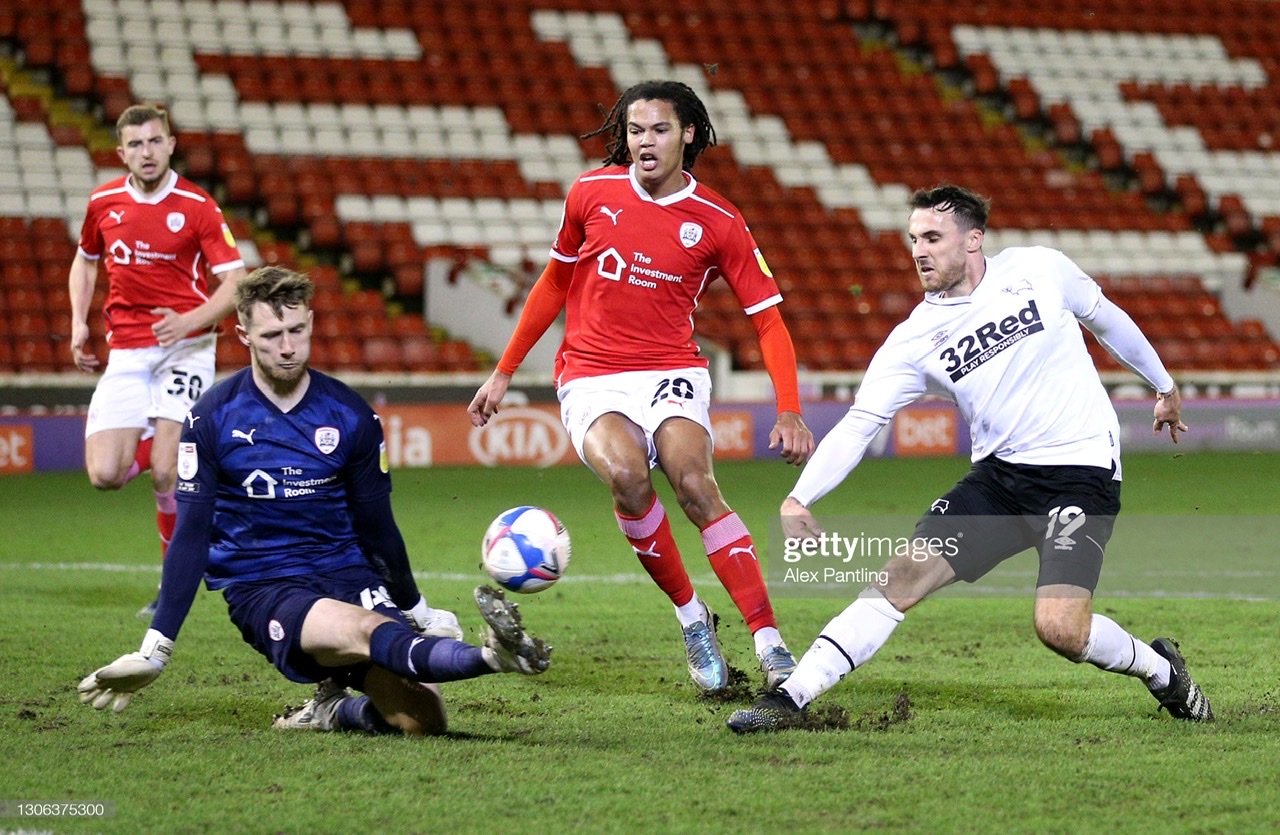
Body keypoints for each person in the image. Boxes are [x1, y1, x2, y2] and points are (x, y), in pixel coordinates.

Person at [728, 184, 1213, 732]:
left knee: (1059, 628)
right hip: (1000, 481)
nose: (919, 251)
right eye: (913, 239)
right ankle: (791, 699)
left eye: (933, 237)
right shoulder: (912, 340)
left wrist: (1164, 385)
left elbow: (1106, 319)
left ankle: (1161, 670)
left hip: (1080, 475)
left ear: (974, 239)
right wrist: (799, 496)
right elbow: (861, 424)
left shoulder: (1040, 269)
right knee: (901, 575)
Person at [78, 267, 551, 736]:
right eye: (271, 335)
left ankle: (329, 712)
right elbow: (191, 536)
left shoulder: (350, 415)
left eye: (296, 330)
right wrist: (154, 650)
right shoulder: (210, 419)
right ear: (243, 334)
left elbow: (377, 528)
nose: (287, 347)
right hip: (264, 584)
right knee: (363, 631)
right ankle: (494, 656)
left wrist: (417, 608)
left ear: (311, 323)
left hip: (345, 571)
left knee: (422, 718)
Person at [468, 80, 816, 694]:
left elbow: (766, 317)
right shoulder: (591, 192)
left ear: (688, 134)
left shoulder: (719, 220)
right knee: (629, 478)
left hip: (672, 371)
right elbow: (553, 283)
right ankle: (691, 619)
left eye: (658, 130)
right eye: (634, 131)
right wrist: (504, 371)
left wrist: (788, 409)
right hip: (591, 374)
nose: (644, 143)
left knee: (695, 484)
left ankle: (769, 640)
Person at [69, 104, 248, 617]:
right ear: (121, 151)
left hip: (186, 348)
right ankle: (155, 441)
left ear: (171, 144)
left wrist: (190, 321)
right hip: (126, 349)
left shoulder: (198, 206)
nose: (146, 152)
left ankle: (174, 582)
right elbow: (84, 261)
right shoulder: (103, 201)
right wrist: (79, 320)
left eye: (155, 141)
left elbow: (235, 283)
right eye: (136, 144)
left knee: (167, 473)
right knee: (105, 474)